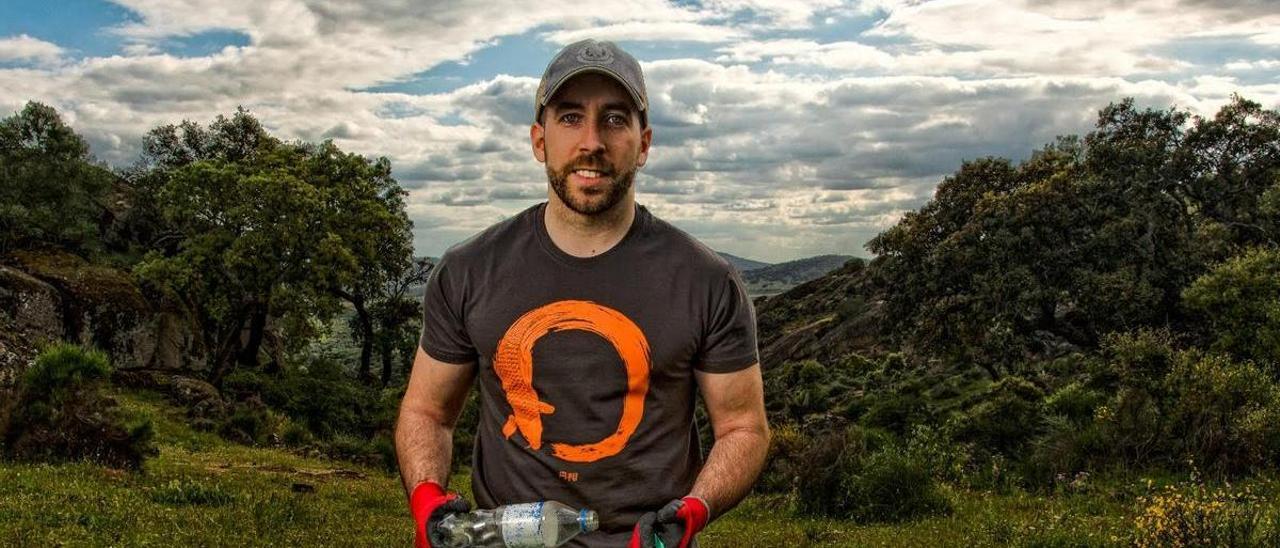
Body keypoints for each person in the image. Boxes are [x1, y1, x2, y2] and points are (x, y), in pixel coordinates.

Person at [395, 38, 770, 548]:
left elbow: (743, 429)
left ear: (644, 143)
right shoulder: (469, 270)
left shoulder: (707, 281)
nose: (591, 141)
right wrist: (426, 498)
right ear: (538, 140)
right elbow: (427, 413)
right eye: (570, 117)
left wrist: (693, 511)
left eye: (615, 119)